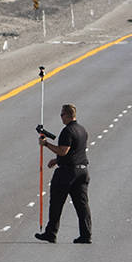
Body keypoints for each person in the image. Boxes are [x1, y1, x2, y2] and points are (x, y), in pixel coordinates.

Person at [35, 103, 91, 244]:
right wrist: (57, 160)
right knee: (82, 205)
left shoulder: (68, 131)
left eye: (62, 115)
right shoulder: (82, 130)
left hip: (67, 173)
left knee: (56, 203)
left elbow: (63, 151)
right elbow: (74, 152)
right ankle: (86, 235)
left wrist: (46, 144)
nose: (61, 117)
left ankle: (51, 233)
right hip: (82, 171)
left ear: (67, 115)